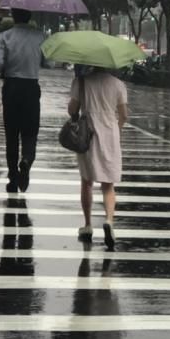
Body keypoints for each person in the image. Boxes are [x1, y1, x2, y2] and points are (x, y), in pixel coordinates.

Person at [68, 65, 129, 250]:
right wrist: (116, 129)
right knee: (108, 184)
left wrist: (76, 112)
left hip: (88, 133)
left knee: (87, 181)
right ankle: (109, 220)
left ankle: (87, 225)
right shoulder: (118, 84)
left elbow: (72, 109)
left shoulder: (82, 82)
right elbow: (124, 115)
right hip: (110, 133)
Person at [0, 9, 45, 193]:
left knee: (12, 134)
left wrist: (9, 63)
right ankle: (27, 160)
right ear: (30, 16)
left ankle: (13, 177)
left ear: (13, 16)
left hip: (11, 87)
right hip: (31, 87)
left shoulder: (3, 36)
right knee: (30, 132)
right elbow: (51, 62)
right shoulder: (40, 37)